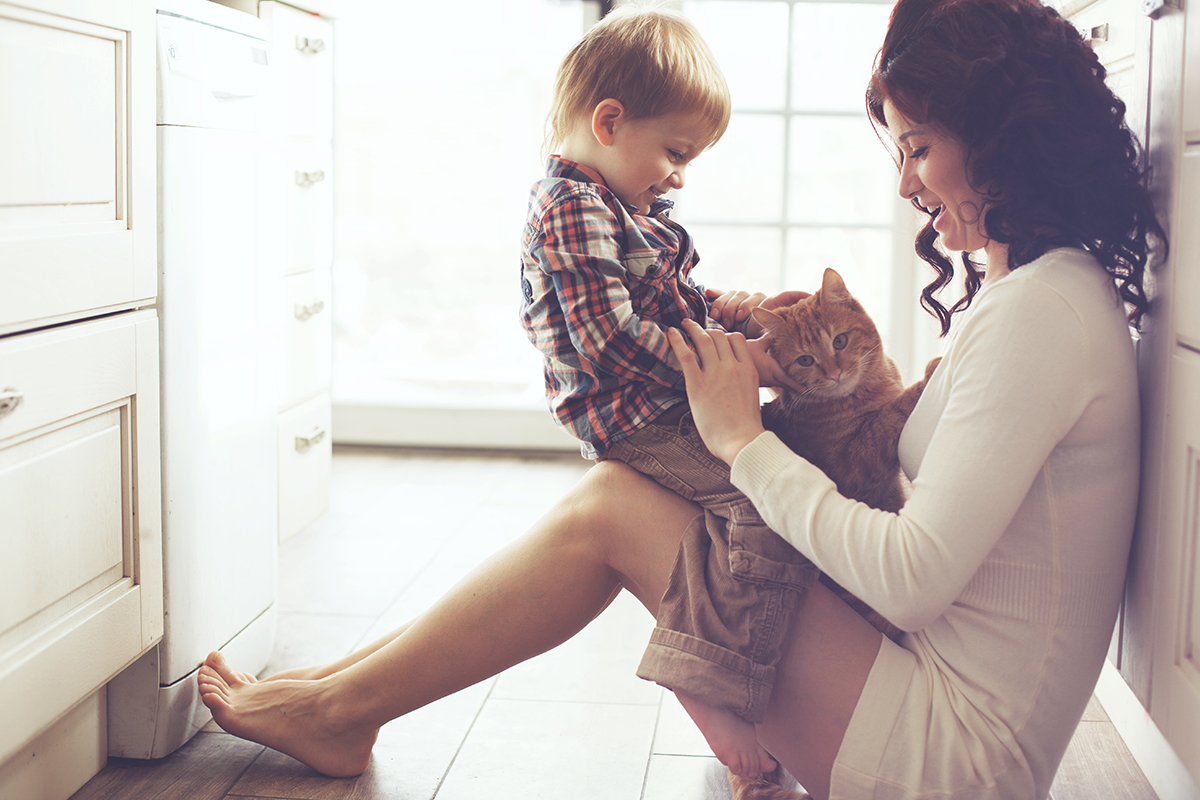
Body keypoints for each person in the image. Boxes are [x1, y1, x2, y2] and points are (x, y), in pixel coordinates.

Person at [197, 0, 1165, 797]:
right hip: (936, 696)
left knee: (611, 505)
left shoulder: (1040, 314)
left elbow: (911, 575)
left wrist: (747, 441)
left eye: (918, 147)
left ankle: (337, 705)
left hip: (949, 757)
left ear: (1000, 135)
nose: (907, 181)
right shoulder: (1038, 293)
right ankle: (333, 688)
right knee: (615, 496)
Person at [519, 5, 821, 777]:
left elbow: (670, 298)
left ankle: (753, 684)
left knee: (775, 488)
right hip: (635, 414)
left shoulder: (628, 204)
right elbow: (612, 340)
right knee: (763, 507)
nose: (680, 173)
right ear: (610, 121)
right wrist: (733, 366)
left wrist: (732, 314)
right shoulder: (569, 207)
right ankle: (741, 715)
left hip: (666, 397)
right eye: (676, 151)